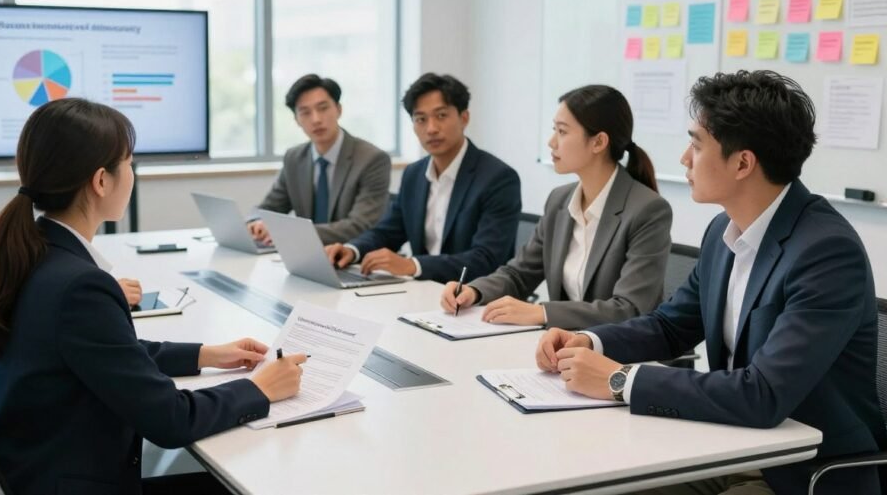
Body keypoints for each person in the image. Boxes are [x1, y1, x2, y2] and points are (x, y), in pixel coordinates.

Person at [537, 71, 886, 494]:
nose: (684, 158)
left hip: (803, 473)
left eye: (697, 143)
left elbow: (762, 394)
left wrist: (619, 379)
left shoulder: (826, 252)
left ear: (743, 163)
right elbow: (670, 326)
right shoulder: (725, 231)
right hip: (730, 445)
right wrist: (589, 342)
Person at [0, 98, 307, 495]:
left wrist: (205, 354)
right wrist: (260, 388)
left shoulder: (33, 253)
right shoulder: (79, 287)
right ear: (101, 181)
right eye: (128, 161)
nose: (132, 171)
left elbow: (105, 352)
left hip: (33, 473)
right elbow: (171, 421)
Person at [442, 85, 672, 328]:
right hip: (562, 348)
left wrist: (541, 313)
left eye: (562, 131)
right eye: (554, 130)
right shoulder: (559, 201)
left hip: (619, 353)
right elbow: (519, 274)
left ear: (598, 142)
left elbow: (629, 309)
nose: (551, 142)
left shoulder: (648, 210)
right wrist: (474, 291)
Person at [325, 73, 521, 283]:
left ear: (464, 118)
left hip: (472, 298)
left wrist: (413, 265)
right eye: (421, 119)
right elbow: (388, 232)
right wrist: (352, 249)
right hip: (421, 292)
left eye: (441, 116)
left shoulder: (498, 178)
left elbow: (487, 259)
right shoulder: (414, 174)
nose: (431, 129)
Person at [248, 74, 391, 245]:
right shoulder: (294, 158)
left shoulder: (372, 159)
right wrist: (256, 223)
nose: (316, 119)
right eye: (305, 112)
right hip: (306, 255)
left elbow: (360, 225)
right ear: (297, 120)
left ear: (339, 109)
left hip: (353, 257)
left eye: (323, 108)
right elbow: (268, 209)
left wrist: (292, 233)